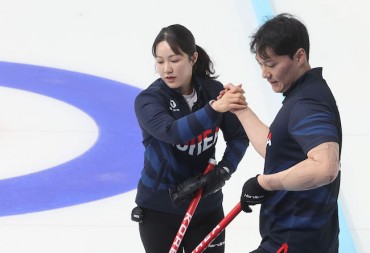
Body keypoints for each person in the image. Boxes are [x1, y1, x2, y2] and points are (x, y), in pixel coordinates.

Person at [223, 13, 342, 252]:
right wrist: (241, 110)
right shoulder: (303, 93)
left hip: (293, 241)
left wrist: (264, 183)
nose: (264, 73)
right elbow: (278, 150)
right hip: (305, 237)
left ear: (299, 56)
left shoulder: (308, 102)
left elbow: (326, 167)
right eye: (261, 64)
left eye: (272, 64)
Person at [132, 24, 249, 253]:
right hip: (159, 211)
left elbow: (238, 137)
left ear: (193, 58)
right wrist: (215, 109)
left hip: (206, 208)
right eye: (160, 61)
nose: (167, 69)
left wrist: (224, 170)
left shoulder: (213, 92)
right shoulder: (148, 101)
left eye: (174, 60)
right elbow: (173, 132)